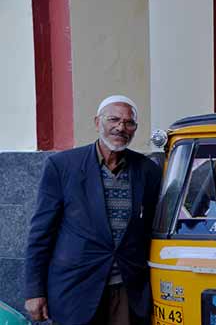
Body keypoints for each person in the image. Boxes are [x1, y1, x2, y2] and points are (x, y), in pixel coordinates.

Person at [24, 95, 162, 325]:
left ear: (135, 129)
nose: (120, 127)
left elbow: (150, 227)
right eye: (114, 119)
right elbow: (41, 233)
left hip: (127, 289)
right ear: (98, 122)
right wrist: (34, 290)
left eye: (128, 123)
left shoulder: (147, 170)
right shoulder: (62, 166)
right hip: (75, 288)